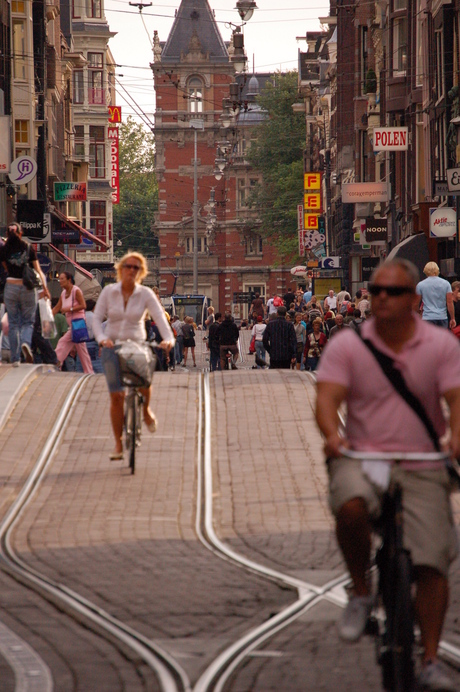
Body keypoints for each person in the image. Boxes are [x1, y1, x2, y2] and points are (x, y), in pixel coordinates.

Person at [315, 258, 460, 692]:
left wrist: (455, 438)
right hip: (364, 457)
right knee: (351, 505)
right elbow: (328, 398)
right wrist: (331, 435)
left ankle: (430, 658)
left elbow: (456, 397)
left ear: (414, 300)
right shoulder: (348, 345)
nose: (382, 298)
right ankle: (361, 590)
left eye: (393, 292)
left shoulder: (441, 347)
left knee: (432, 561)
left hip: (421, 462)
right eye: (376, 290)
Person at [93, 252, 174, 460]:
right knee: (117, 396)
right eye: (128, 266)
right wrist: (102, 338)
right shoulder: (109, 292)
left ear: (141, 273)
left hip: (137, 345)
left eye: (136, 268)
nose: (131, 270)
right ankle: (118, 444)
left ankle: (145, 411)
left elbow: (161, 320)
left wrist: (168, 340)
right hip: (112, 347)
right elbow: (96, 319)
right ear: (121, 269)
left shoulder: (145, 294)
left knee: (144, 381)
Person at [0, 223, 50, 366]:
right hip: (28, 287)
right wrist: (45, 288)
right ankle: (26, 343)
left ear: (8, 234)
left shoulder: (4, 250)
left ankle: (15, 359)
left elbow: (6, 268)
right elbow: (38, 270)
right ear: (21, 233)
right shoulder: (28, 247)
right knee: (28, 322)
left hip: (11, 286)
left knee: (13, 323)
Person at [52, 272, 93, 374]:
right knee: (81, 350)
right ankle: (89, 371)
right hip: (72, 325)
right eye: (59, 279)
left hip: (78, 324)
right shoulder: (63, 293)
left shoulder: (76, 291)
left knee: (63, 342)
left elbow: (83, 305)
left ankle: (55, 363)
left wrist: (69, 309)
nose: (60, 281)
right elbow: (57, 307)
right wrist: (48, 316)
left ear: (69, 280)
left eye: (62, 279)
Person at [416, 261, 455, 329]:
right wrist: (452, 318)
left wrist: (416, 314)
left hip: (427, 317)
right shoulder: (446, 284)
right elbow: (449, 302)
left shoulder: (420, 285)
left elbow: (416, 303)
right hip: (442, 317)